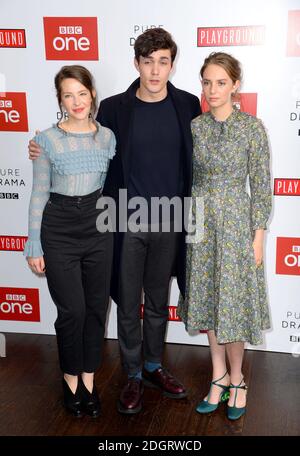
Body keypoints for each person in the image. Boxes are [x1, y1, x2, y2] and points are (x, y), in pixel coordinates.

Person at [29, 28, 201, 414]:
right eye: (147, 61)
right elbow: (80, 141)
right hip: (122, 219)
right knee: (127, 303)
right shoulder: (114, 109)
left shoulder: (189, 105)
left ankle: (155, 366)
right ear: (136, 63)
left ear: (172, 64)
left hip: (170, 218)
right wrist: (40, 146)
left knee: (158, 300)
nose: (155, 71)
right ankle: (133, 375)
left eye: (163, 61)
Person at [177, 52, 272, 420]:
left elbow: (261, 187)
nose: (211, 90)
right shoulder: (195, 127)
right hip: (199, 224)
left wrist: (258, 235)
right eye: (206, 82)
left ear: (235, 85)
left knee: (232, 307)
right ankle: (217, 378)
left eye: (220, 82)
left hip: (236, 226)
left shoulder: (252, 128)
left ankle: (238, 380)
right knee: (209, 305)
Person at [24, 65, 116, 418]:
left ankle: (89, 379)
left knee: (95, 308)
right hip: (59, 226)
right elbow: (38, 192)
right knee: (72, 311)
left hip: (98, 226)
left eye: (82, 92)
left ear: (92, 93)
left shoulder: (107, 137)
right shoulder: (46, 140)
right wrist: (35, 242)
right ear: (59, 99)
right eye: (68, 95)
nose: (76, 101)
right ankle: (69, 378)